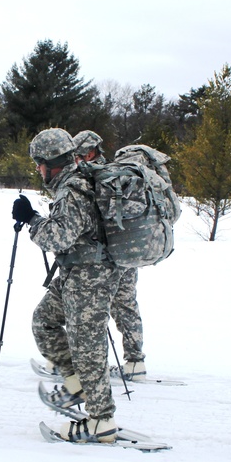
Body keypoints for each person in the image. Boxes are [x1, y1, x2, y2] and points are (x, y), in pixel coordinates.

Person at [13, 128, 124, 443]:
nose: (37, 170)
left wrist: (32, 220)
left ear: (51, 162)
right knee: (44, 321)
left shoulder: (72, 189)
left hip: (90, 278)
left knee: (87, 346)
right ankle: (78, 386)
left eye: (39, 163)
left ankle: (101, 422)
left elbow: (59, 236)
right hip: (76, 274)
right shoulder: (74, 183)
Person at [73, 130, 147, 381]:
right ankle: (135, 362)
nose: (74, 159)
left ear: (90, 152)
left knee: (91, 311)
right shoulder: (117, 178)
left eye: (78, 154)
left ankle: (87, 364)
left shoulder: (93, 178)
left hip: (103, 259)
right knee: (125, 305)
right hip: (125, 253)